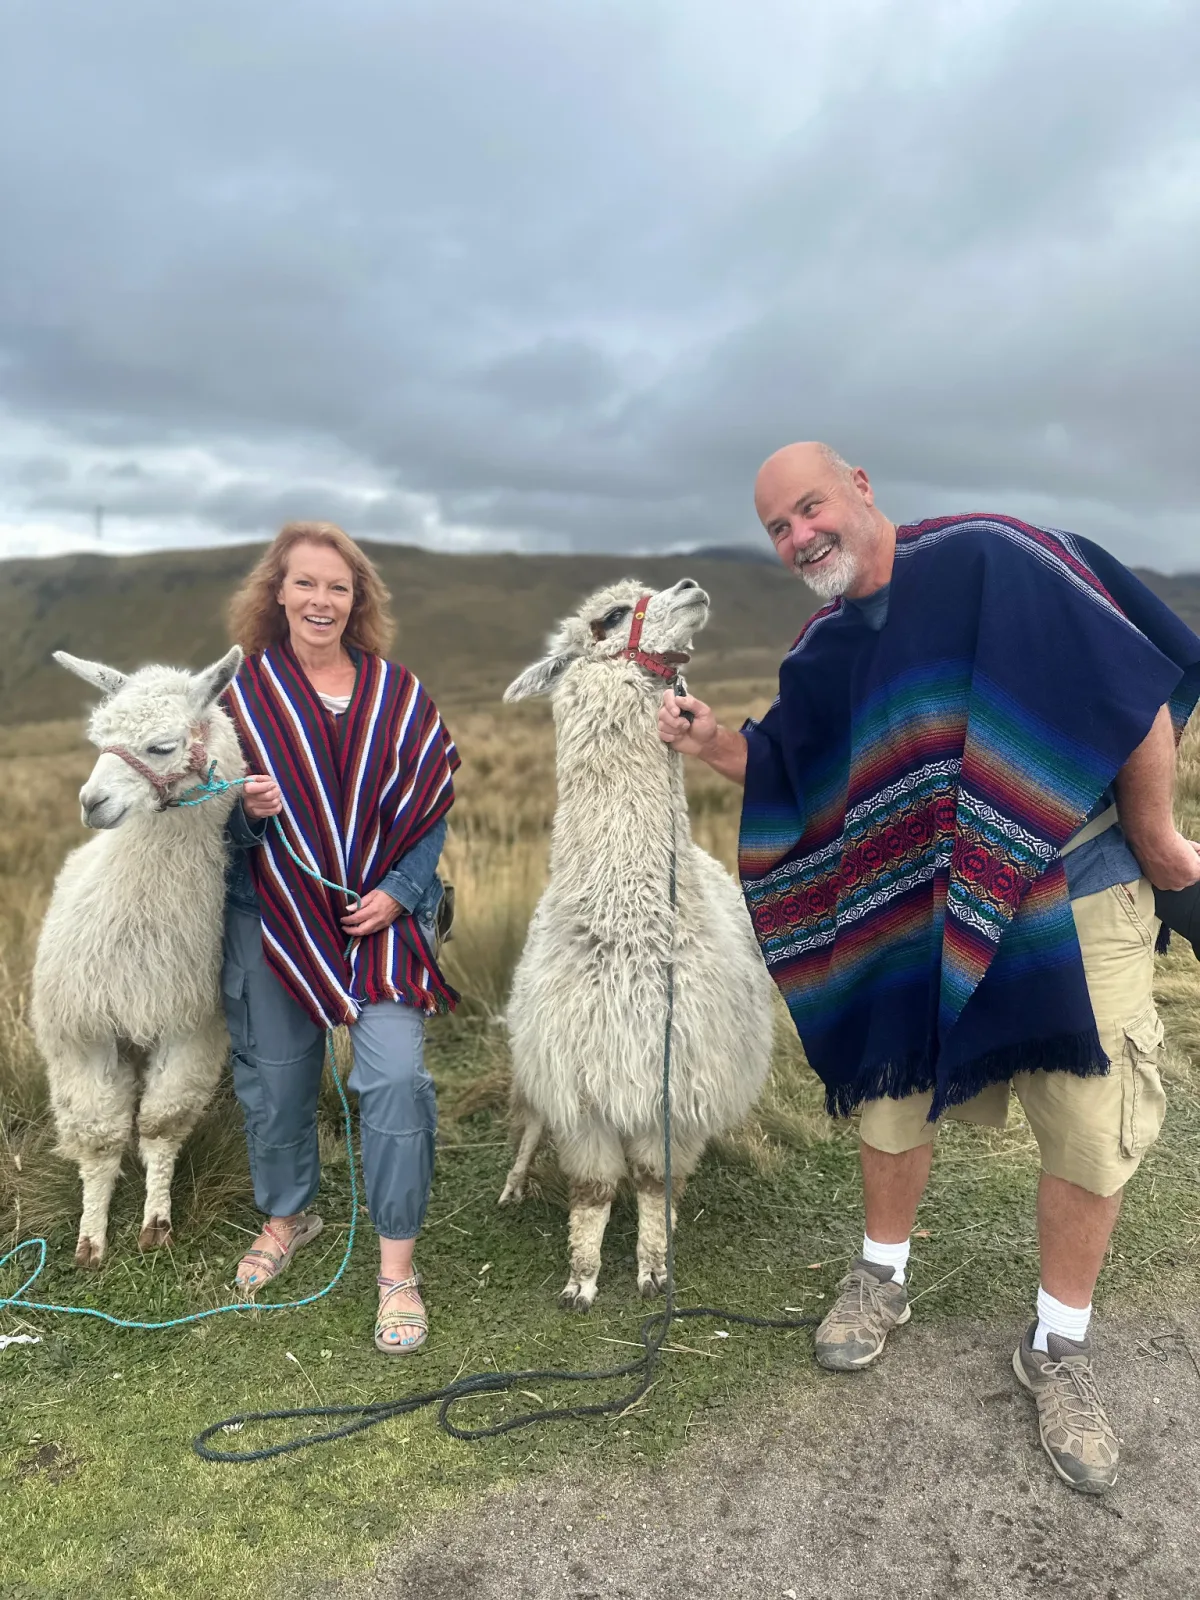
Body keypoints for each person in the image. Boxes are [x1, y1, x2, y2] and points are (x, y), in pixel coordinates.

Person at [658, 443, 1200, 1494]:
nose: (799, 535)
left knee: (1090, 1123)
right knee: (891, 1095)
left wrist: (1162, 840)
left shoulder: (992, 559)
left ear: (859, 486)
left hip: (1075, 886)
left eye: (809, 506)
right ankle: (880, 1277)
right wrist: (716, 740)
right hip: (918, 905)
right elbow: (794, 767)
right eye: (778, 527)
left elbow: (1128, 686)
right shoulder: (824, 646)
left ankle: (1058, 1346)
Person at [222, 521, 458, 1354]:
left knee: (395, 1082)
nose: (321, 600)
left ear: (357, 601)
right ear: (277, 592)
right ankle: (290, 1217)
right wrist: (243, 819)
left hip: (379, 927)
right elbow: (205, 827)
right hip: (275, 919)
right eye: (306, 584)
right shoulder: (239, 698)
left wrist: (399, 892)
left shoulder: (400, 694)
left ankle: (398, 1267)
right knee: (276, 1079)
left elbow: (432, 810)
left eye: (338, 587)